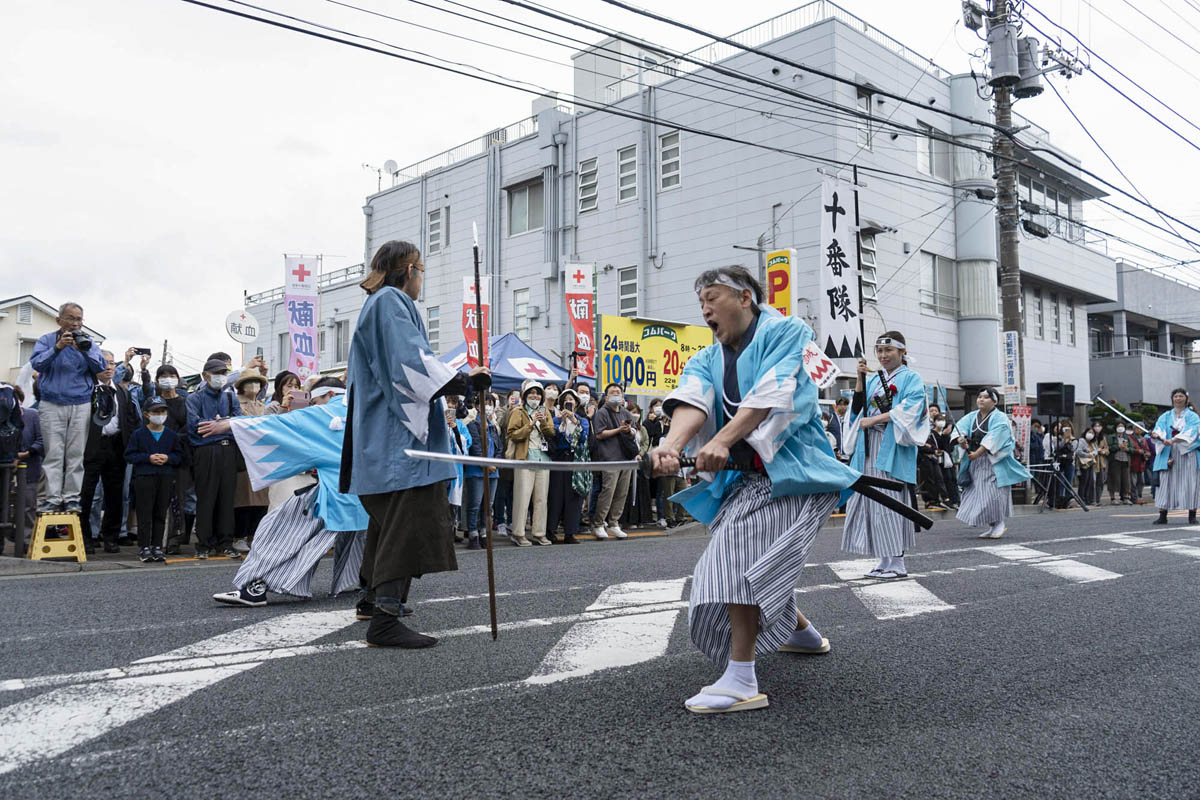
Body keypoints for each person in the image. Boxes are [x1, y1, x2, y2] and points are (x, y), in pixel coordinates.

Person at [650, 265, 859, 715]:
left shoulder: (788, 331)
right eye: (700, 301)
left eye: (711, 297)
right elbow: (692, 400)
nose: (704, 308)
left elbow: (772, 393)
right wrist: (669, 445)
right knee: (753, 558)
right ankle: (801, 633)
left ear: (745, 297)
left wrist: (723, 440)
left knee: (736, 558)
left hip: (797, 476)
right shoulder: (708, 356)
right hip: (750, 480)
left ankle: (742, 677)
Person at [340, 240, 490, 648]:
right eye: (421, 270)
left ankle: (372, 600)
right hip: (400, 439)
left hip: (383, 436)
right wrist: (463, 381)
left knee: (386, 522)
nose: (421, 278)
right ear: (408, 270)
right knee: (407, 520)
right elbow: (411, 362)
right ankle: (385, 618)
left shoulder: (377, 304)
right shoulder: (389, 301)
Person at [209, 377, 369, 607]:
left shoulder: (327, 414)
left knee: (280, 531)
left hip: (335, 495)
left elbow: (281, 425)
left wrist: (231, 424)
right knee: (361, 542)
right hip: (365, 496)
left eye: (316, 400)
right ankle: (369, 584)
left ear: (330, 395)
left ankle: (255, 588)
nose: (314, 406)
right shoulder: (366, 410)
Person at [841, 332, 929, 579]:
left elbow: (911, 409)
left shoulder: (911, 378)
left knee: (892, 502)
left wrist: (875, 420)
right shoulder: (874, 380)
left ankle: (898, 563)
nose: (882, 356)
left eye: (888, 351)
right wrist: (859, 378)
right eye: (879, 351)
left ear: (902, 352)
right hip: (869, 446)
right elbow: (857, 408)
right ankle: (883, 559)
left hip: (892, 445)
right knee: (873, 502)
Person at [29, 302, 108, 514]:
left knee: (75, 454)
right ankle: (53, 498)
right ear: (59, 320)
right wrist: (58, 348)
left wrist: (83, 350)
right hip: (51, 403)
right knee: (54, 453)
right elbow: (36, 364)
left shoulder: (88, 342)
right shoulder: (47, 340)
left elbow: (100, 367)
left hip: (80, 402)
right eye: (70, 318)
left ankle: (72, 497)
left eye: (79, 319)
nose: (75, 323)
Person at [80, 350, 141, 553]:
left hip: (116, 446)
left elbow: (130, 419)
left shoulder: (122, 391)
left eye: (112, 363)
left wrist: (128, 443)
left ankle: (111, 537)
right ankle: (87, 537)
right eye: (104, 363)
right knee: (88, 493)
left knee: (116, 494)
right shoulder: (86, 389)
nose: (108, 367)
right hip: (93, 445)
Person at [954, 389, 1031, 538]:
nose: (981, 400)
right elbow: (960, 428)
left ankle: (999, 523)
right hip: (976, 462)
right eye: (979, 397)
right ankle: (992, 525)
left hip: (994, 462)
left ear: (994, 401)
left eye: (986, 397)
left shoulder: (1000, 418)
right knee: (978, 494)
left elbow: (995, 437)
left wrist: (978, 452)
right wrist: (961, 440)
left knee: (994, 494)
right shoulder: (971, 416)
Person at [186, 357, 243, 559]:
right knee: (206, 498)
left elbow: (239, 423)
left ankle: (225, 543)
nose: (221, 377)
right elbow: (195, 427)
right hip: (205, 452)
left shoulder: (230, 398)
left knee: (227, 499)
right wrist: (223, 425)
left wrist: (221, 425)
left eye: (224, 373)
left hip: (228, 451)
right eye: (217, 373)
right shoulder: (195, 398)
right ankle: (203, 544)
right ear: (205, 376)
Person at [125, 397, 184, 562]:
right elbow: (129, 455)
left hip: (165, 477)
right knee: (145, 513)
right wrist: (148, 458)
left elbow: (179, 456)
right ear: (146, 414)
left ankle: (157, 546)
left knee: (160, 513)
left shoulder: (171, 435)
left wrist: (168, 458)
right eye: (155, 412)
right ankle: (144, 546)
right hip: (144, 477)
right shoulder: (138, 434)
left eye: (162, 411)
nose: (160, 415)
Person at [505, 379, 555, 547]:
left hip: (543, 458)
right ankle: (518, 533)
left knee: (541, 498)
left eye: (538, 393)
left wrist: (543, 422)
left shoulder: (545, 410)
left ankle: (539, 533)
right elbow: (512, 434)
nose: (535, 396)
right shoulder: (518, 411)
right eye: (531, 393)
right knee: (522, 497)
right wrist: (531, 424)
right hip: (524, 458)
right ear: (525, 395)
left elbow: (551, 432)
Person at [591, 382, 636, 540]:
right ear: (606, 396)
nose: (616, 394)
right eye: (612, 392)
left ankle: (614, 523)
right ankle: (598, 523)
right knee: (608, 491)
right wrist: (619, 429)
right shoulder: (602, 412)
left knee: (622, 492)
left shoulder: (626, 413)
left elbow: (634, 431)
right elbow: (599, 434)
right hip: (609, 458)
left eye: (618, 392)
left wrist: (629, 430)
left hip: (626, 458)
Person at [545, 387, 590, 544]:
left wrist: (573, 420)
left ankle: (570, 532)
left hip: (575, 461)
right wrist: (563, 422)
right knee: (555, 496)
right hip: (559, 460)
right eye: (565, 401)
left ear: (576, 404)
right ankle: (550, 530)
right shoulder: (556, 420)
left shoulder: (582, 420)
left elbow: (584, 437)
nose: (568, 402)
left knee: (574, 497)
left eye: (571, 400)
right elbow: (553, 438)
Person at [232, 372, 270, 553]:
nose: (254, 385)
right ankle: (239, 536)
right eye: (249, 382)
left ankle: (254, 536)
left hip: (262, 457)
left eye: (257, 382)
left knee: (261, 500)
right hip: (243, 455)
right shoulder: (235, 403)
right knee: (243, 499)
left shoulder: (262, 405)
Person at [1150, 388, 1200, 525]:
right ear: (1172, 399)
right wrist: (1157, 435)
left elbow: (1192, 432)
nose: (1178, 398)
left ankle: (1192, 515)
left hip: (1186, 452)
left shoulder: (1193, 416)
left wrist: (1173, 439)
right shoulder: (1165, 416)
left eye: (1181, 396)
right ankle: (1162, 515)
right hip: (1168, 451)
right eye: (1176, 396)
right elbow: (1159, 428)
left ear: (1186, 398)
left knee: (1190, 483)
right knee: (1165, 483)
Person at [464, 394, 501, 549]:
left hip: (493, 471)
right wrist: (486, 464)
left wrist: (496, 462)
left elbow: (500, 446)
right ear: (477, 405)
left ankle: (484, 533)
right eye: (484, 403)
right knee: (475, 504)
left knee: (488, 504)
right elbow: (475, 447)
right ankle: (473, 535)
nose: (487, 406)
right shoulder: (472, 424)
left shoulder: (493, 425)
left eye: (490, 403)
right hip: (477, 470)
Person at [10, 386, 41, 551]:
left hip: (29, 467)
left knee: (29, 506)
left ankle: (26, 541)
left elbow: (41, 441)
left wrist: (25, 453)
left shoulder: (32, 415)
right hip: (6, 469)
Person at [931, 414, 960, 508]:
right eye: (939, 419)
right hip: (937, 460)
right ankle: (948, 500)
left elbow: (949, 447)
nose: (941, 422)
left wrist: (946, 436)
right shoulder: (931, 434)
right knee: (944, 479)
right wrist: (943, 436)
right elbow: (937, 447)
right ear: (934, 422)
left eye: (943, 419)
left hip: (948, 460)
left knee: (953, 478)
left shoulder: (947, 434)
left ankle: (956, 500)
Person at [1107, 423, 1139, 505]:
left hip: (1125, 460)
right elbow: (1109, 448)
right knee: (1114, 479)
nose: (1120, 428)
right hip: (1115, 460)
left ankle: (1126, 497)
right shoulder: (1111, 437)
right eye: (1118, 426)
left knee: (1126, 480)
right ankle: (1113, 498)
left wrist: (1127, 448)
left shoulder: (1127, 438)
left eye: (1122, 426)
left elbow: (1132, 449)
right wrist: (1118, 446)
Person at [1052, 422, 1077, 509]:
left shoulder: (1074, 439)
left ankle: (1068, 500)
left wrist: (1069, 439)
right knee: (1060, 482)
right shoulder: (1058, 439)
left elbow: (1073, 449)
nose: (1066, 430)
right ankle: (1060, 500)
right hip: (1060, 462)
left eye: (1068, 428)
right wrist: (1064, 440)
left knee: (1068, 482)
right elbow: (1055, 447)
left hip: (1070, 463)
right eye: (1064, 428)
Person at [1076, 428, 1099, 506]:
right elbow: (1078, 451)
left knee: (1089, 481)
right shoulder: (1082, 440)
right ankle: (1081, 499)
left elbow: (1096, 451)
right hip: (1083, 464)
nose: (1091, 434)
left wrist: (1093, 454)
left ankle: (1087, 499)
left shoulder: (1092, 443)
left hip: (1090, 464)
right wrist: (1088, 454)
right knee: (1083, 482)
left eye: (1092, 433)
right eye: (1089, 432)